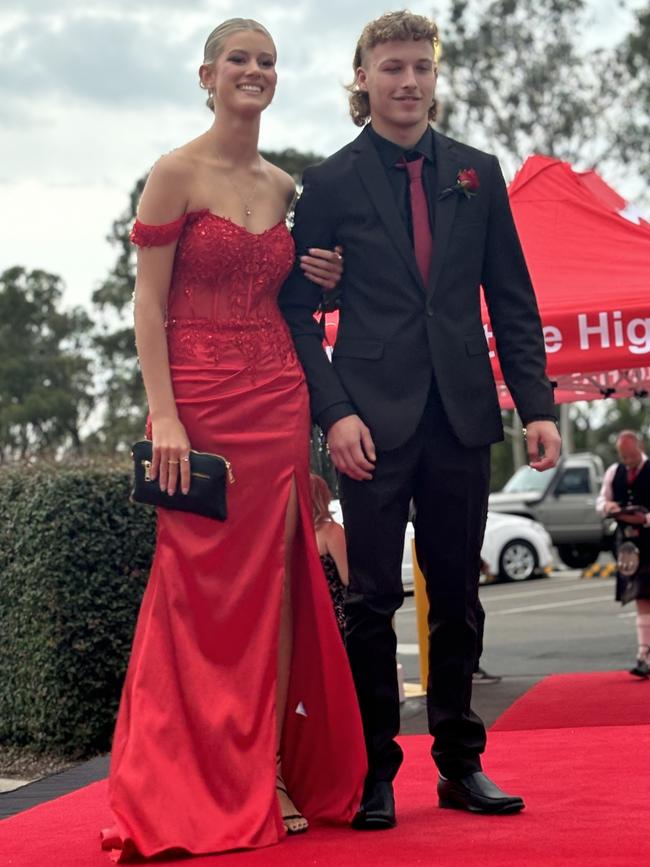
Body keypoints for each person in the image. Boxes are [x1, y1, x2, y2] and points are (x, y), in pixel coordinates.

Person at [280, 10, 561, 829]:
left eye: (421, 68)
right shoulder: (327, 183)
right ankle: (373, 772)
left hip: (462, 415)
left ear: (435, 76)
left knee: (458, 597)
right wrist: (333, 414)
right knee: (370, 600)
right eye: (391, 68)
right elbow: (300, 310)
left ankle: (460, 763)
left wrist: (536, 405)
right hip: (367, 423)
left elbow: (511, 297)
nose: (407, 81)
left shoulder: (479, 171)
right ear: (362, 78)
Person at [100, 18, 366, 862]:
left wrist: (322, 276)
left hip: (278, 398)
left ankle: (270, 768)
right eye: (239, 60)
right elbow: (147, 305)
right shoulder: (174, 173)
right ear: (207, 75)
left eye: (267, 61)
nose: (254, 71)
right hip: (200, 407)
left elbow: (294, 298)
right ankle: (184, 777)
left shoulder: (286, 187)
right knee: (193, 589)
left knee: (278, 585)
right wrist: (165, 413)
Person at [596, 430, 650, 678]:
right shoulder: (613, 472)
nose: (626, 460)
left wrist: (645, 518)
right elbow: (600, 503)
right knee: (641, 597)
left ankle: (644, 654)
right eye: (623, 456)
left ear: (638, 447)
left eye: (630, 455)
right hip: (629, 546)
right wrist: (609, 507)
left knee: (645, 598)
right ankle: (643, 655)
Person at [310, 472, 349, 634]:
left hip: (308, 614)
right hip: (334, 613)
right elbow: (347, 578)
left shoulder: (292, 536)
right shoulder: (331, 531)